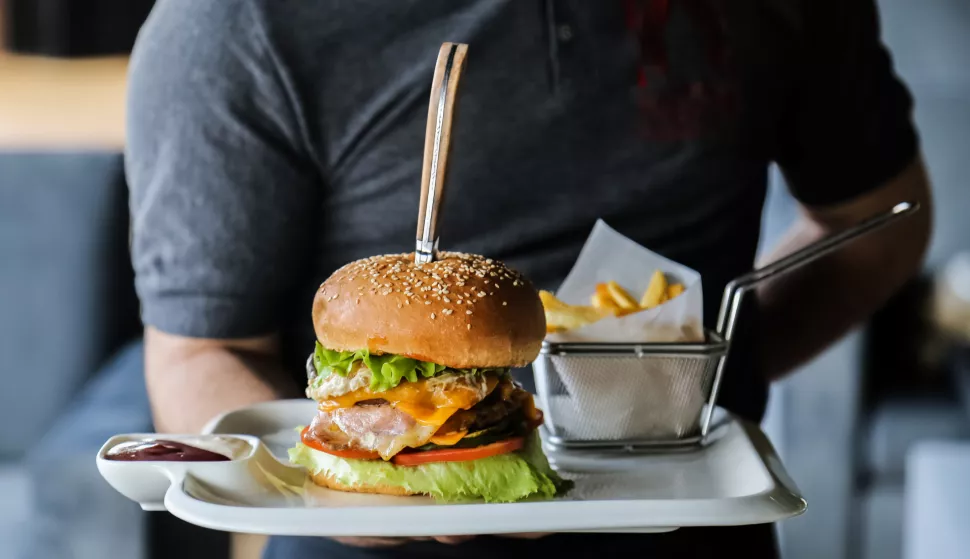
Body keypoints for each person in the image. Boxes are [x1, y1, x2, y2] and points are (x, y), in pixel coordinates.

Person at [124, 0, 932, 557]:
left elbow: (882, 223)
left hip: (706, 532)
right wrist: (353, 471)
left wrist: (677, 389)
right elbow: (198, 351)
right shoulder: (228, 23)